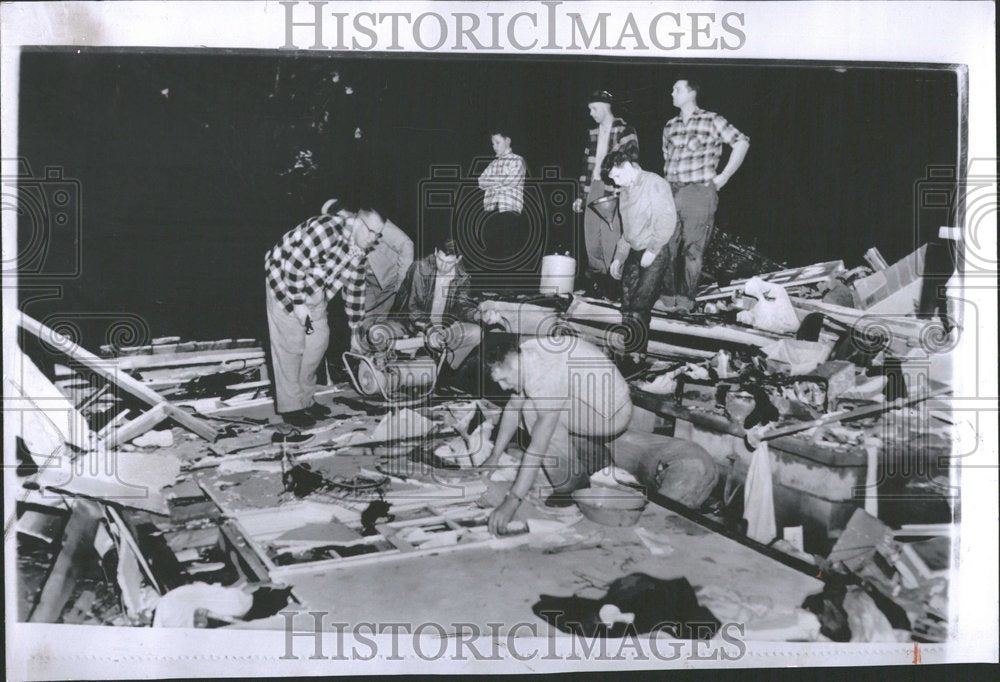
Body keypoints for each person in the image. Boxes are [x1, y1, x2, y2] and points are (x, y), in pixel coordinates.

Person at [481, 336, 633, 535]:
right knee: (531, 406)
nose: (502, 387)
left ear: (516, 365)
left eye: (504, 379)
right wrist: (494, 456)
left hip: (613, 414)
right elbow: (512, 407)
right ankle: (591, 456)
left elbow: (538, 445)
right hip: (593, 402)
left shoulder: (545, 373)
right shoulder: (524, 355)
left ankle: (572, 485)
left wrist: (512, 501)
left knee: (535, 413)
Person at [264, 206, 385, 427]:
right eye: (371, 232)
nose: (373, 239)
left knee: (317, 342)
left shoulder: (359, 250)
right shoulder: (326, 230)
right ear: (357, 222)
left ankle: (306, 400)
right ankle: (292, 408)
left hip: (315, 290)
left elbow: (355, 289)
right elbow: (292, 265)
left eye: (378, 235)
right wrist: (299, 305)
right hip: (284, 283)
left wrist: (356, 329)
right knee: (291, 346)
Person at [661, 79, 749, 310]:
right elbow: (666, 157)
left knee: (693, 249)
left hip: (698, 192)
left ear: (691, 93)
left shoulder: (711, 119)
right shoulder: (670, 126)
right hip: (671, 190)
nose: (672, 92)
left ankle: (686, 300)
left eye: (676, 89)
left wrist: (725, 175)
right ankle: (667, 297)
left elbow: (741, 142)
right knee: (665, 245)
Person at [603, 151, 677, 375]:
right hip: (634, 252)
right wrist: (619, 256)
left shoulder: (655, 183)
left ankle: (635, 360)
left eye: (616, 176)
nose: (615, 182)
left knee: (639, 306)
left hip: (655, 251)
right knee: (627, 307)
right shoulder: (625, 192)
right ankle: (633, 353)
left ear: (626, 165)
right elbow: (627, 232)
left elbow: (667, 220)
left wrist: (653, 250)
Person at [365, 236, 483, 370]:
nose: (443, 266)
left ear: (458, 259)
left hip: (441, 330)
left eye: (449, 262)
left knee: (477, 332)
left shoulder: (463, 277)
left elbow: (462, 307)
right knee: (376, 332)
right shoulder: (420, 268)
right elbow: (413, 308)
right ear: (435, 251)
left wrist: (477, 315)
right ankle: (385, 365)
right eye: (440, 259)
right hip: (410, 325)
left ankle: (443, 370)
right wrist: (429, 329)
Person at [572, 90, 639, 297]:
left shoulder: (625, 130)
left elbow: (631, 163)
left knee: (611, 236)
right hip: (594, 186)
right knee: (591, 237)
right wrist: (581, 197)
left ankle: (615, 284)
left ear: (603, 107)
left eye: (593, 109)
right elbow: (586, 167)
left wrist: (624, 192)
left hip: (614, 189)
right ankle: (597, 282)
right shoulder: (592, 133)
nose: (591, 113)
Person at [320, 198, 413, 320]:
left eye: (339, 216)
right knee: (363, 324)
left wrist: (402, 282)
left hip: (390, 282)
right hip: (367, 285)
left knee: (380, 325)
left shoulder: (371, 221)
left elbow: (406, 245)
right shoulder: (339, 237)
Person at [476, 128, 527, 279]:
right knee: (491, 248)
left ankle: (508, 288)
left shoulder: (518, 160)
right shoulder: (493, 163)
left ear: (508, 141)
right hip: (492, 208)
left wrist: (493, 182)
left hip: (509, 208)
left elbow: (512, 181)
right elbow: (480, 181)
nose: (494, 146)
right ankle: (491, 285)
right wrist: (499, 181)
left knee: (509, 249)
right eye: (493, 143)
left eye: (497, 142)